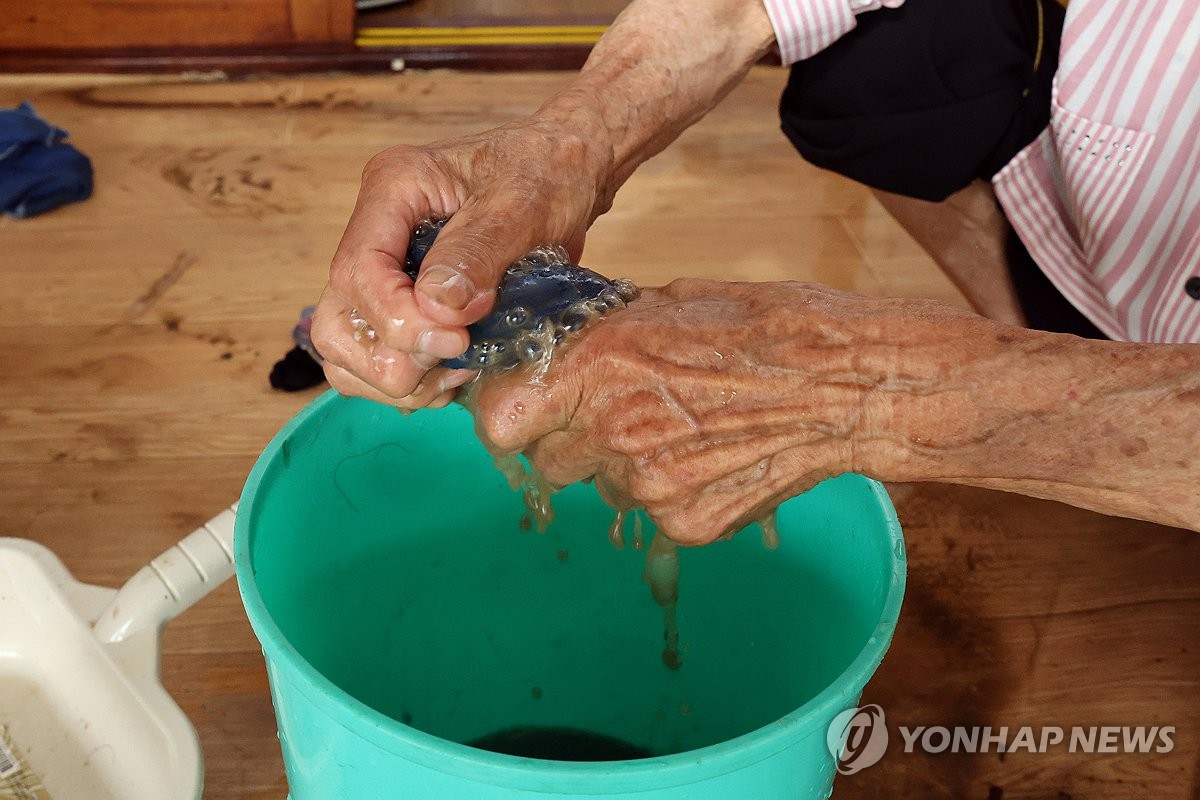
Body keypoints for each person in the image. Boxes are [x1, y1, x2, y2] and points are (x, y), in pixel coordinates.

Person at [310, 0, 1200, 542]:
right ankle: (1079, 361)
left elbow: (862, 388)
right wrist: (563, 146)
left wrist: (867, 391)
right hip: (1131, 249)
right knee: (889, 62)